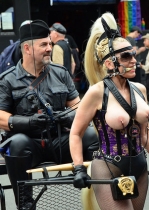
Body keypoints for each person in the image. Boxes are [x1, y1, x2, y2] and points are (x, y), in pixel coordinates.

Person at [70, 12, 149, 210]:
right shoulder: (96, 93)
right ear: (109, 63)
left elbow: (146, 133)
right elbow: (76, 133)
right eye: (126, 56)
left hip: (140, 166)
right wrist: (78, 168)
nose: (133, 60)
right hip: (108, 166)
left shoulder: (140, 90)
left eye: (133, 54)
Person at [0, 20, 98, 208]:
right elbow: (1, 117)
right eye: (43, 44)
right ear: (27, 48)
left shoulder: (60, 73)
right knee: (17, 143)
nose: (49, 48)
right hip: (30, 145)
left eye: (50, 44)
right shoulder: (8, 79)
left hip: (60, 141)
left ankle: (95, 193)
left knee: (90, 136)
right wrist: (28, 122)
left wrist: (68, 116)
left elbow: (78, 106)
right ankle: (25, 203)